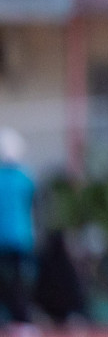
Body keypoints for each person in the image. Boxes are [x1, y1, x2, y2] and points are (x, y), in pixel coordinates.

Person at [0, 129, 35, 333]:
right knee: (19, 281)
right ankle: (21, 319)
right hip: (21, 238)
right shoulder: (26, 178)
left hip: (4, 239)